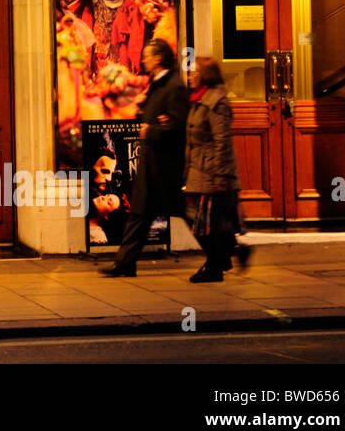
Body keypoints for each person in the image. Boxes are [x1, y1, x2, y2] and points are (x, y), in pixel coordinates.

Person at [101, 39, 189, 277]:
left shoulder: (174, 87)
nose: (143, 60)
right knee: (139, 214)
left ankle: (223, 251)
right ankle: (125, 264)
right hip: (151, 163)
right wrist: (143, 111)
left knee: (187, 214)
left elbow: (179, 126)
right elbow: (154, 115)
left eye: (148, 56)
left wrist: (153, 130)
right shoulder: (157, 84)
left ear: (158, 59)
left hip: (166, 165)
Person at [183, 56, 251, 282]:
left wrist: (219, 176)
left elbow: (222, 142)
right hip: (199, 170)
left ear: (206, 75)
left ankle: (215, 265)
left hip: (212, 173)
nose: (190, 75)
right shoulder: (198, 99)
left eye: (194, 72)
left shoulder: (216, 102)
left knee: (204, 224)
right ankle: (229, 254)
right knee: (208, 222)